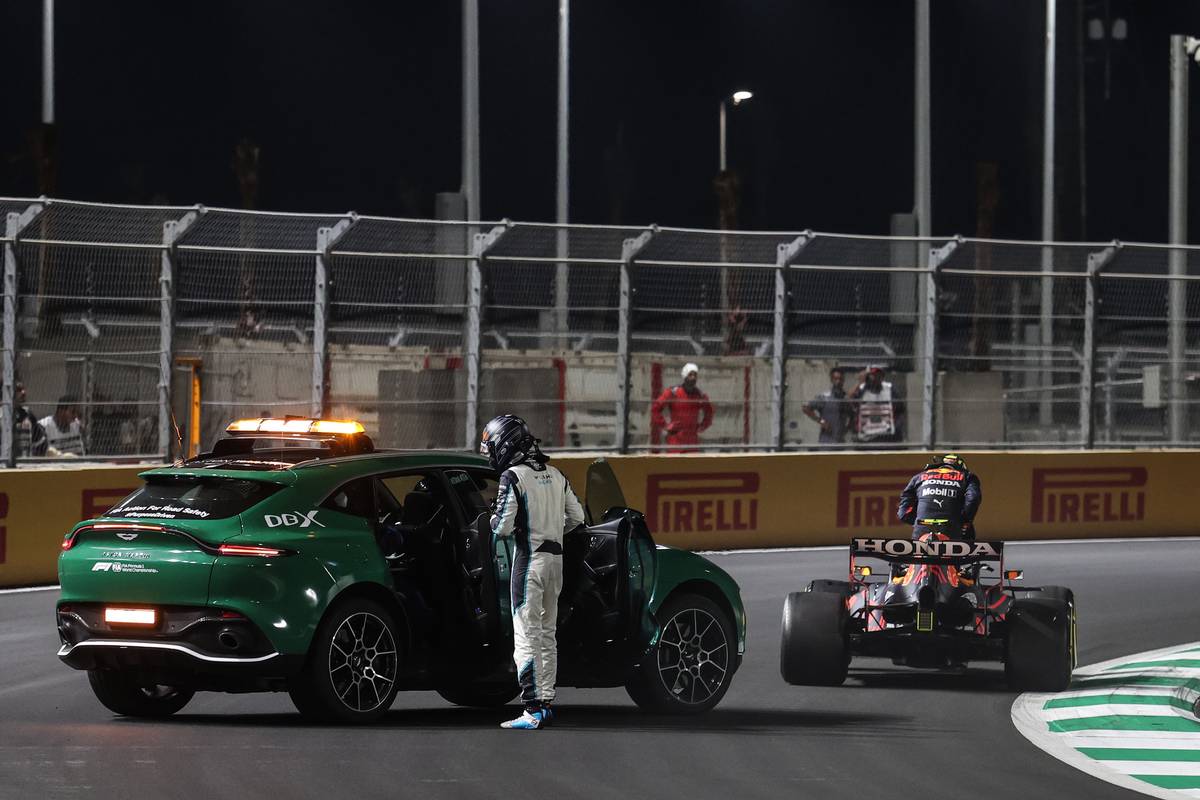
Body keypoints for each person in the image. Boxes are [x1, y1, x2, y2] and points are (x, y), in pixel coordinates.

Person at [482, 414, 585, 730]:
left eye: (492, 448)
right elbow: (578, 518)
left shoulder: (513, 477)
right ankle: (545, 703)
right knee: (547, 634)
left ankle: (531, 709)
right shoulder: (556, 475)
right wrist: (552, 529)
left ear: (506, 444)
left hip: (528, 563)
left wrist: (491, 519)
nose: (490, 455)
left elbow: (500, 526)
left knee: (526, 635)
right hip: (557, 562)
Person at [896, 453, 982, 540]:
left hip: (922, 527)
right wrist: (964, 521)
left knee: (919, 552)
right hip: (951, 527)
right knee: (968, 533)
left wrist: (918, 521)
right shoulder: (967, 476)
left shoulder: (918, 477)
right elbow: (973, 499)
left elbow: (903, 513)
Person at [650, 363, 714, 453]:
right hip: (675, 443)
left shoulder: (700, 395)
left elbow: (709, 412)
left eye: (695, 375)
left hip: (692, 443)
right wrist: (665, 425)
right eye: (690, 374)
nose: (693, 378)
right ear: (684, 376)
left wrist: (703, 426)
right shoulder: (673, 392)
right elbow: (655, 409)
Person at [849, 364, 905, 445]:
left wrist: (896, 426)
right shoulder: (862, 389)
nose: (876, 378)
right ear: (869, 376)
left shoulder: (889, 388)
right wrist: (860, 382)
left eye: (879, 375)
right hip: (867, 436)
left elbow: (900, 409)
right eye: (873, 375)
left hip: (886, 436)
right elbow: (849, 399)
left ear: (882, 377)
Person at [802, 367, 852, 446]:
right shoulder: (825, 397)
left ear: (843, 380)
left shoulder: (845, 399)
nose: (838, 382)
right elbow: (806, 408)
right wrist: (821, 422)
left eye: (840, 379)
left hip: (840, 442)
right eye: (835, 379)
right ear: (831, 380)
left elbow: (852, 414)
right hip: (826, 441)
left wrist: (847, 427)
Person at [13, 382, 47, 457]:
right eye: (18, 390)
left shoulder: (27, 414)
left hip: (25, 463)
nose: (23, 392)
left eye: (23, 389)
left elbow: (40, 441)